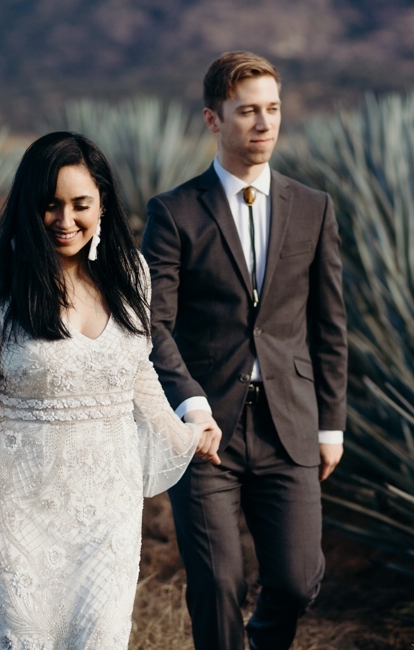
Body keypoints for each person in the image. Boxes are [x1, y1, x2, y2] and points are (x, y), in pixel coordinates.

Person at [0, 131, 220, 649]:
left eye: (80, 204)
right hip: (16, 505)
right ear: (28, 206)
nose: (65, 220)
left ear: (102, 202)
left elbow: (136, 370)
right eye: (50, 205)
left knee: (100, 638)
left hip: (109, 505)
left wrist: (184, 432)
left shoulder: (131, 275)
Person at [140, 51, 348, 650]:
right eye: (248, 111)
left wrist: (331, 424)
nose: (265, 124)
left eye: (273, 109)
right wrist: (189, 403)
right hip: (207, 430)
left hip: (291, 422)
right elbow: (155, 324)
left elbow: (329, 323)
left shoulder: (314, 207)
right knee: (217, 581)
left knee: (298, 578)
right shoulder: (174, 211)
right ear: (213, 119)